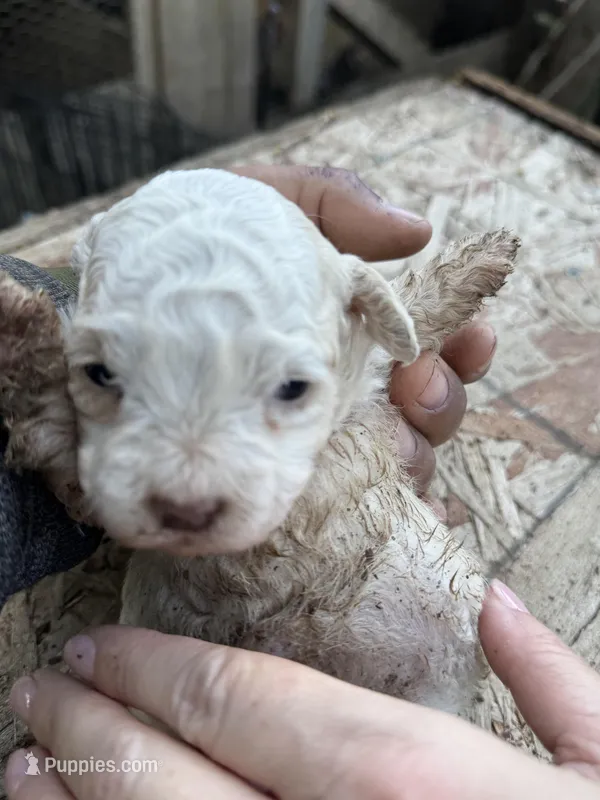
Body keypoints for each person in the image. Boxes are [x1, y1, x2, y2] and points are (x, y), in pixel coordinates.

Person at [6, 166, 595, 798]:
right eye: (106, 375)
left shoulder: (346, 309)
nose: (191, 494)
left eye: (288, 387)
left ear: (363, 310)